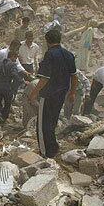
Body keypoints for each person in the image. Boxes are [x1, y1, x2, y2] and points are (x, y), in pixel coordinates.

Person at [28, 29, 77, 158]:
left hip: (49, 94)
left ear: (47, 41)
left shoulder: (50, 55)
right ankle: (53, 147)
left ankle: (45, 152)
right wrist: (72, 92)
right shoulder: (69, 55)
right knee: (52, 121)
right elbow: (74, 76)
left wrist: (33, 93)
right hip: (62, 93)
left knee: (43, 124)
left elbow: (44, 78)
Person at [0, 50, 24, 123]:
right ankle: (3, 119)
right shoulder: (12, 65)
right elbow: (14, 75)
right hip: (7, 87)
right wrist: (22, 81)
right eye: (15, 58)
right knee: (8, 103)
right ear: (12, 56)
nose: (15, 60)